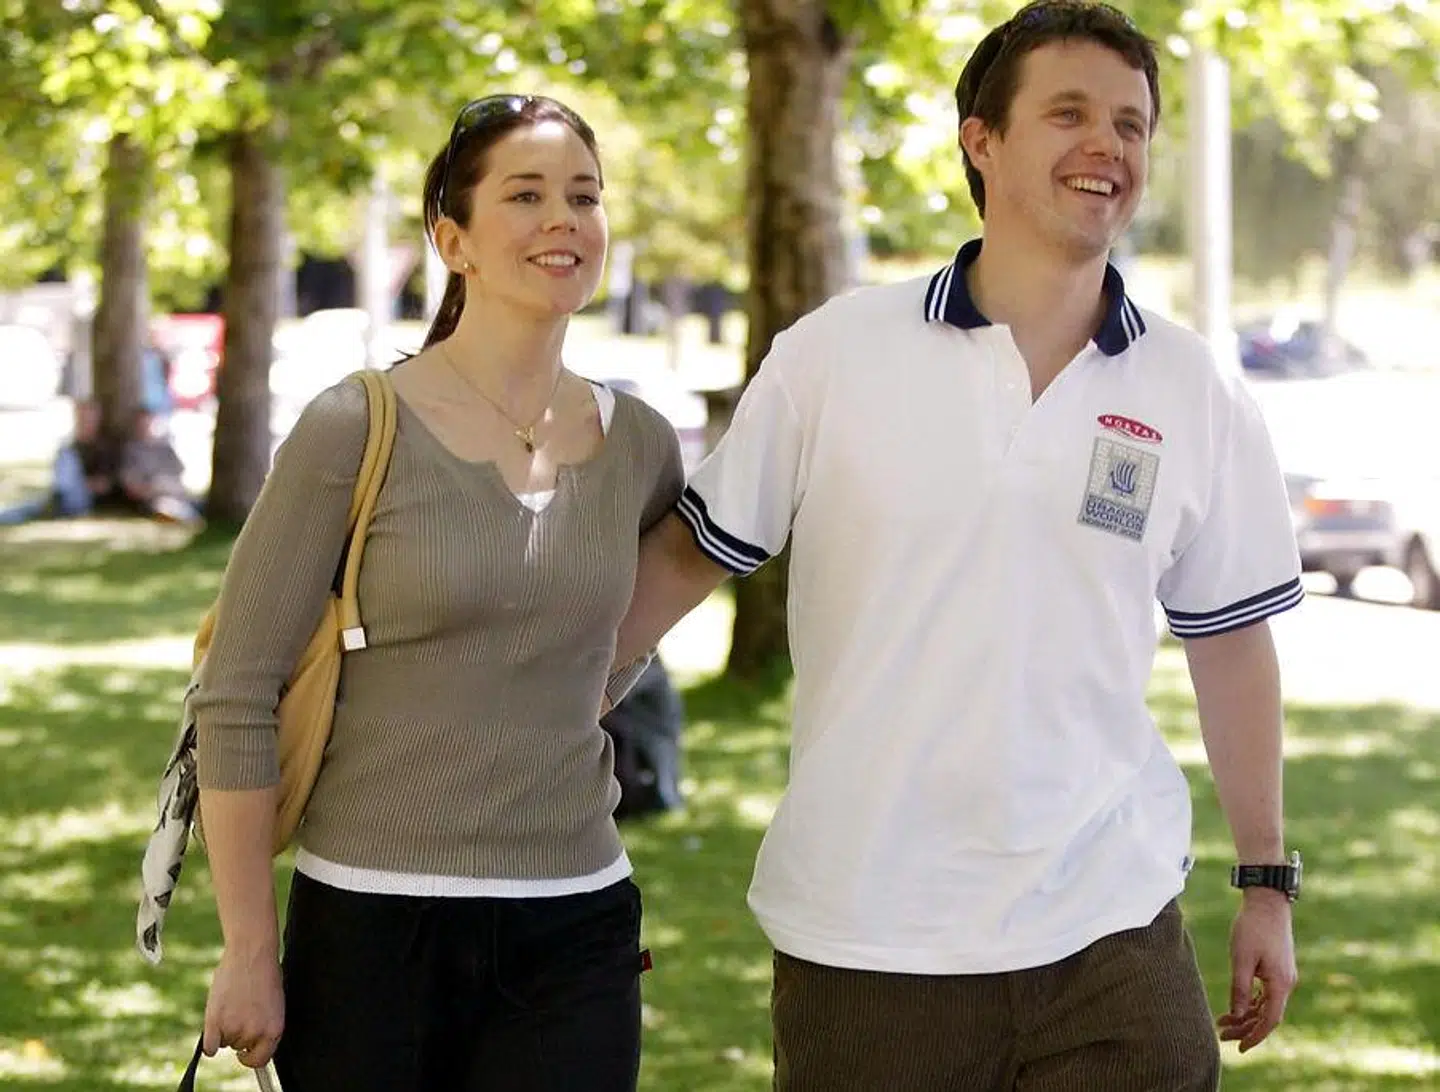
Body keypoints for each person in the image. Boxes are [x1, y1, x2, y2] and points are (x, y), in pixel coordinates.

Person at [614, 3, 1302, 1089]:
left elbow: (1231, 642)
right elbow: (686, 563)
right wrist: (539, 723)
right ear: (981, 140)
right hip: (870, 940)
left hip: (1113, 935)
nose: (1107, 146)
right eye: (1068, 113)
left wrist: (1266, 881)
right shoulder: (836, 354)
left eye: (1131, 124)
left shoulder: (1194, 387)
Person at [195, 94, 683, 1091]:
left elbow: (617, 636)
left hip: (579, 922)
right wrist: (248, 948)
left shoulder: (640, 442)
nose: (565, 219)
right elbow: (235, 690)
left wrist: (559, 700)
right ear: (452, 240)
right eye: (527, 195)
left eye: (584, 197)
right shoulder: (356, 426)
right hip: (376, 927)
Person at [0, 400, 114, 525]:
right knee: (28, 507)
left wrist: (79, 482)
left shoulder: (103, 448)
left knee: (67, 457)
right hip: (63, 494)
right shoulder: (73, 444)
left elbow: (103, 486)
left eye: (89, 419)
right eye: (82, 418)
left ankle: (58, 501)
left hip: (84, 500)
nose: (85, 423)